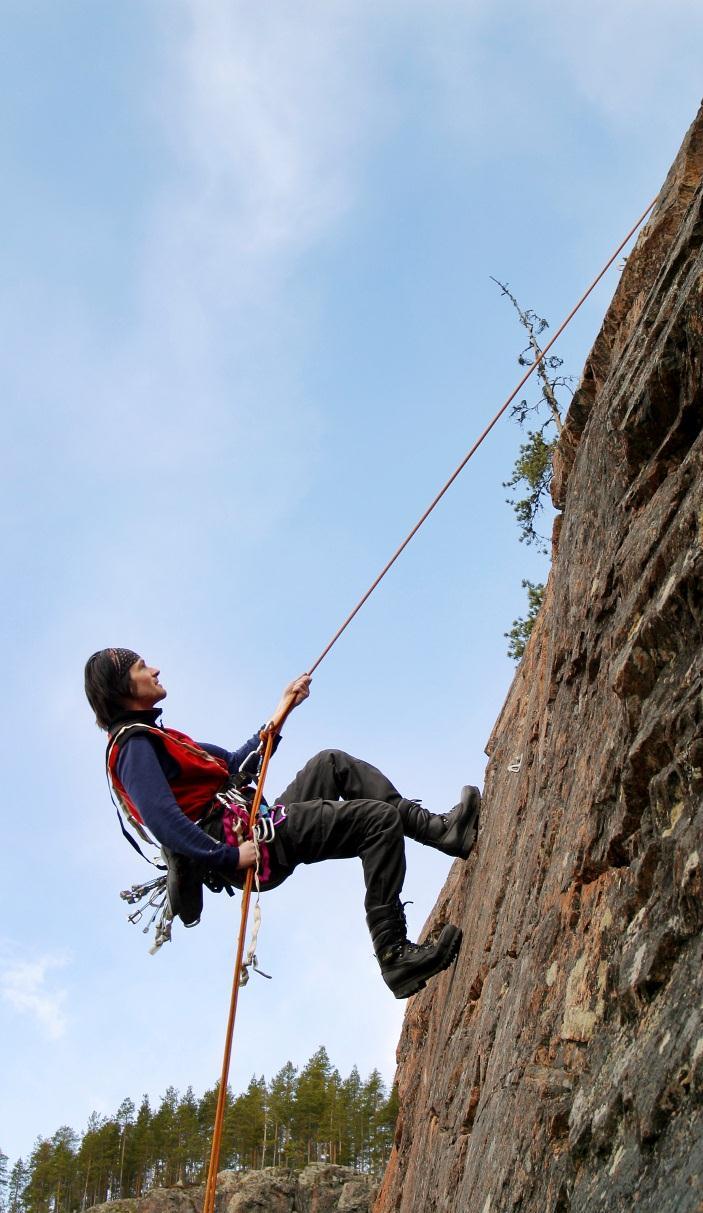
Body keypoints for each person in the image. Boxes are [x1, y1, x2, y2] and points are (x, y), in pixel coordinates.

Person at [84, 647, 480, 999]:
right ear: (121, 688)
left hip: (259, 826)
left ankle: (442, 832)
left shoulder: (159, 738)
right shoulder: (132, 747)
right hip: (253, 842)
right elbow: (162, 820)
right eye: (141, 667)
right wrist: (228, 857)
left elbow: (235, 765)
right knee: (377, 821)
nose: (155, 670)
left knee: (331, 764)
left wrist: (283, 707)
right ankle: (394, 954)